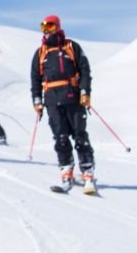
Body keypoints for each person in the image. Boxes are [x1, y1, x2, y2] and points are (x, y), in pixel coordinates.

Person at [30, 14, 96, 188]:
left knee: (80, 136)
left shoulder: (71, 47)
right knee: (60, 137)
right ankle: (66, 169)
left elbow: (85, 71)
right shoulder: (40, 53)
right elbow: (35, 79)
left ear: (58, 27)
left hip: (73, 97)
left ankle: (87, 170)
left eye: (50, 26)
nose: (46, 31)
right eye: (43, 27)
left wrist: (85, 92)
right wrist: (37, 100)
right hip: (51, 99)